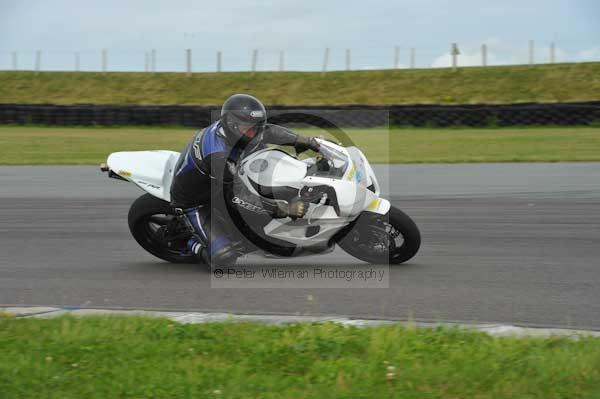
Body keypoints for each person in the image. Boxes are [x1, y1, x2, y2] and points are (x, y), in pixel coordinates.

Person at [170, 94, 321, 265]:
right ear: (231, 125)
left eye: (256, 128)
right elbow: (237, 196)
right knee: (224, 258)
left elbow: (268, 131)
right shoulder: (219, 156)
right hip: (196, 199)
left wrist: (304, 141)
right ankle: (194, 245)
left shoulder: (240, 130)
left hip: (223, 179)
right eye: (248, 129)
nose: (253, 133)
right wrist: (283, 210)